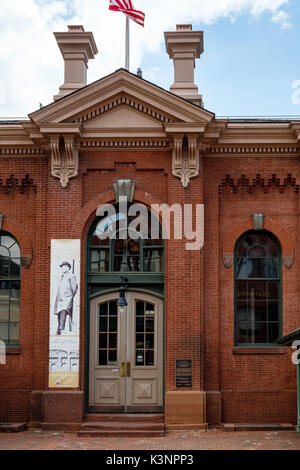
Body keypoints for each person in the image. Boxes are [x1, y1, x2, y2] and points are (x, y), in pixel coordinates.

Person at [54, 261, 78, 336]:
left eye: (64, 266)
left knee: (64, 310)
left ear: (68, 267)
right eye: (62, 267)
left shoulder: (71, 276)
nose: (63, 268)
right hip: (60, 298)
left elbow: (74, 288)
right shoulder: (62, 276)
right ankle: (59, 329)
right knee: (59, 311)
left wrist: (69, 296)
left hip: (67, 297)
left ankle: (62, 329)